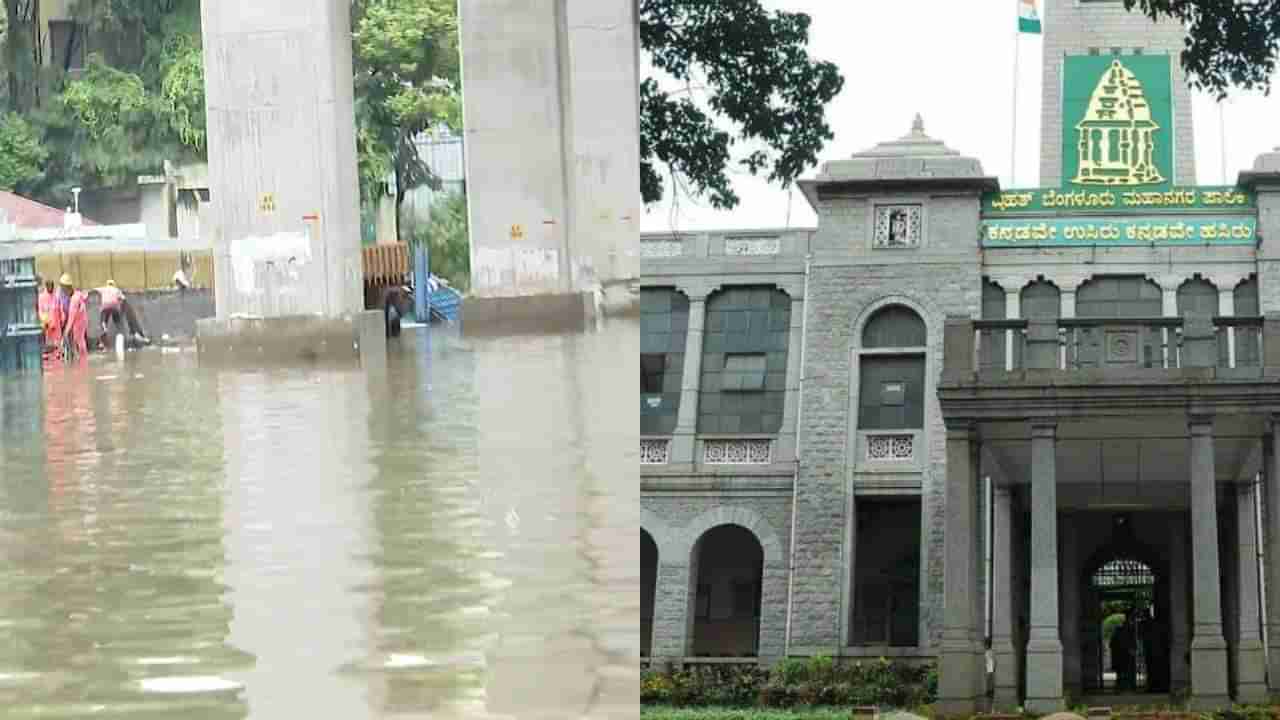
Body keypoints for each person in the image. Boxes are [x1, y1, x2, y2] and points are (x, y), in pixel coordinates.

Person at [49, 273, 89, 362]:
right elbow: (57, 310)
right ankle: (75, 360)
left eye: (63, 287)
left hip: (78, 323)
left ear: (68, 287)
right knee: (71, 343)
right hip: (71, 321)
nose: (62, 290)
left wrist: (66, 332)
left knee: (78, 342)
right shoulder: (63, 295)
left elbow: (72, 317)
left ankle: (82, 362)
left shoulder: (75, 298)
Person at [37, 278, 57, 350]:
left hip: (55, 325)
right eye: (49, 286)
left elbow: (58, 309)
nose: (50, 288)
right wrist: (45, 321)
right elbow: (40, 310)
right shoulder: (41, 297)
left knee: (56, 345)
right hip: (46, 324)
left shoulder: (55, 296)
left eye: (52, 286)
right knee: (48, 345)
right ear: (46, 286)